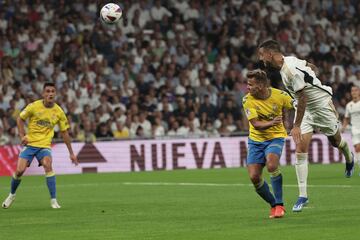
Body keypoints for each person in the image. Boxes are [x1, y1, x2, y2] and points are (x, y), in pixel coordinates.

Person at [258, 40, 355, 212]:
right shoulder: (290, 61)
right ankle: (303, 195)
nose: (261, 59)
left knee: (336, 142)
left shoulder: (289, 70)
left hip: (321, 107)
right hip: (306, 111)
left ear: (270, 54)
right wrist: (312, 76)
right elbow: (311, 66)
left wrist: (295, 125)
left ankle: (348, 156)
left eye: (261, 55)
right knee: (300, 150)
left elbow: (303, 97)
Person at [2, 82, 78, 209]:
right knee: (20, 171)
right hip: (30, 144)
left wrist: (71, 153)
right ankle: (12, 195)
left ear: (55, 94)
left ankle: (53, 200)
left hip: (45, 146)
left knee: (48, 165)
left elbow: (65, 133)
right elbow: (20, 119)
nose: (50, 94)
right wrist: (22, 136)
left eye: (52, 91)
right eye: (47, 91)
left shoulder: (59, 111)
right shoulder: (34, 106)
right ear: (43, 94)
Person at [243, 69, 294, 218]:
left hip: (275, 137)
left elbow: (297, 105)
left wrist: (291, 121)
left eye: (250, 84)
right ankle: (273, 204)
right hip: (255, 141)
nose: (248, 87)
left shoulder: (280, 95)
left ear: (261, 85)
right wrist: (273, 121)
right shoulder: (247, 100)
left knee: (272, 165)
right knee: (254, 177)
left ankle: (279, 204)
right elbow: (256, 124)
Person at [342, 86, 360, 173]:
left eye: (356, 90)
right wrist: (343, 127)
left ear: (359, 92)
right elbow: (346, 118)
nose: (354, 92)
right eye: (352, 91)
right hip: (355, 129)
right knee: (357, 148)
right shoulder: (349, 105)